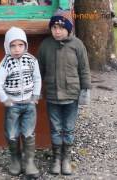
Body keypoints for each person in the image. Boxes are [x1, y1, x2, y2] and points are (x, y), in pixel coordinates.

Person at [37, 9, 91, 175]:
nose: (57, 31)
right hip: (52, 95)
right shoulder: (45, 45)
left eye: (61, 27)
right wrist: (37, 90)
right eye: (54, 27)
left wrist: (85, 90)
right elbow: (39, 70)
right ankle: (56, 158)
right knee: (55, 128)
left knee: (68, 128)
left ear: (69, 28)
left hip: (72, 95)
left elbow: (84, 69)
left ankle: (66, 158)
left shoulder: (77, 45)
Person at [0, 26, 42, 178]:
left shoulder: (31, 60)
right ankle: (15, 160)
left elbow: (37, 78)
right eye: (13, 45)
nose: (17, 49)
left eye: (20, 45)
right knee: (12, 133)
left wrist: (35, 96)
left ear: (25, 45)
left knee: (28, 133)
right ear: (7, 46)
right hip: (12, 105)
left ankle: (29, 161)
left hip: (29, 104)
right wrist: (5, 100)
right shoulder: (5, 63)